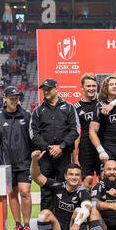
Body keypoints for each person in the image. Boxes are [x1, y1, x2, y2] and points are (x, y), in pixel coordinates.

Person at [31, 150, 112, 230]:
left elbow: (87, 207)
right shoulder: (58, 186)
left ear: (80, 177)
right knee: (44, 213)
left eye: (77, 175)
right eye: (71, 174)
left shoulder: (83, 192)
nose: (74, 177)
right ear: (65, 176)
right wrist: (34, 160)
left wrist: (77, 223)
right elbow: (37, 177)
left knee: (80, 211)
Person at [0, 86, 33, 230]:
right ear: (4, 98)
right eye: (11, 97)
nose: (14, 100)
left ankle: (26, 225)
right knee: (12, 195)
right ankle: (17, 224)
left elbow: (32, 139)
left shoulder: (26, 115)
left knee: (25, 192)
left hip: (25, 162)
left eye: (16, 97)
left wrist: (35, 159)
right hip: (6, 164)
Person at [30, 78, 80, 212]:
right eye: (43, 89)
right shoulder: (38, 110)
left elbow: (75, 130)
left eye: (48, 89)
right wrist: (48, 148)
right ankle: (45, 225)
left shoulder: (69, 107)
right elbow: (33, 133)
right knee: (46, 190)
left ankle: (63, 220)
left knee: (66, 187)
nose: (45, 91)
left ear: (56, 89)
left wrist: (61, 146)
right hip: (45, 157)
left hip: (64, 156)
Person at [73, 73, 101, 191]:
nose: (91, 88)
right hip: (86, 150)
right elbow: (75, 135)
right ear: (82, 87)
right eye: (88, 86)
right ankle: (86, 208)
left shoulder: (101, 103)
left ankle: (103, 209)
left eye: (93, 86)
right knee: (87, 183)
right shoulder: (76, 107)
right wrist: (75, 158)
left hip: (101, 148)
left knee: (104, 181)